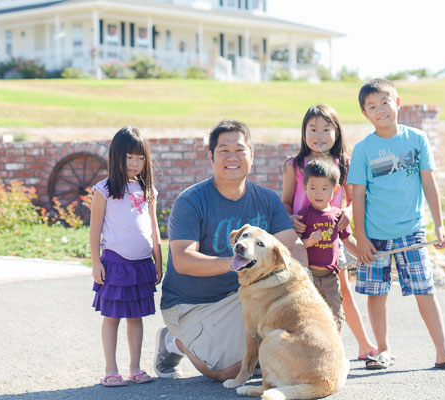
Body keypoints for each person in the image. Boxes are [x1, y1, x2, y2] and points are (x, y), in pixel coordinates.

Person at [154, 120, 307, 381]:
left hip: (244, 294)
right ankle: (173, 341)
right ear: (211, 156)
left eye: (240, 150)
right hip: (192, 303)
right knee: (230, 371)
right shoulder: (191, 201)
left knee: (270, 351)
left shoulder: (267, 199)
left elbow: (292, 245)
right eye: (224, 151)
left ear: (252, 155)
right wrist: (237, 262)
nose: (232, 157)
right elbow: (182, 260)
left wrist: (303, 282)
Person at [348, 78, 445, 371]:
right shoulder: (364, 149)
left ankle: (443, 351)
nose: (380, 110)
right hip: (375, 236)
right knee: (377, 294)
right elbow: (358, 196)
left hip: (412, 231)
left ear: (398, 103)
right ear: (365, 114)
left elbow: (428, 183)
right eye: (372, 106)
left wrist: (439, 225)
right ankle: (382, 350)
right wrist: (362, 238)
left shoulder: (416, 139)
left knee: (424, 289)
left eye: (385, 102)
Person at [281, 104, 377, 360]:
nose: (319, 134)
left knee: (341, 291)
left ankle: (365, 345)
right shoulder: (295, 165)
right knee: (303, 295)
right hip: (303, 242)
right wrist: (290, 219)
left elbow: (355, 197)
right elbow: (286, 202)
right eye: (312, 129)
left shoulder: (344, 163)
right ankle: (303, 351)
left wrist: (348, 210)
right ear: (303, 133)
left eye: (326, 129)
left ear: (337, 132)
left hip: (332, 240)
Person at [91, 126, 163, 386]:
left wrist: (158, 259)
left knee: (136, 316)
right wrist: (95, 262)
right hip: (114, 263)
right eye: (128, 157)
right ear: (116, 157)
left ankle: (135, 368)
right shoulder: (104, 190)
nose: (135, 163)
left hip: (142, 263)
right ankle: (111, 369)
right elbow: (95, 228)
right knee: (112, 316)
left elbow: (154, 228)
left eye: (140, 158)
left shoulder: (148, 191)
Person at [296, 158, 361, 329]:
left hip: (331, 278)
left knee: (335, 317)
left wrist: (362, 254)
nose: (318, 194)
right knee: (310, 318)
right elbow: (295, 245)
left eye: (325, 189)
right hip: (309, 277)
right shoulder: (304, 215)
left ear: (336, 189)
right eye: (313, 188)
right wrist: (308, 242)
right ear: (304, 188)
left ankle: (335, 352)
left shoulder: (337, 216)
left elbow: (348, 240)